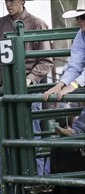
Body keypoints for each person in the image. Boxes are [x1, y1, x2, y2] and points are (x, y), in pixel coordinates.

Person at [0, 0, 53, 175]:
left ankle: (38, 179)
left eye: (13, 0)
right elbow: (0, 59)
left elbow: (47, 60)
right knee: (9, 134)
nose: (9, 4)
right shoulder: (1, 23)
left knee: (31, 132)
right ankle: (17, 180)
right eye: (6, 0)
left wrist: (29, 79)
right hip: (10, 87)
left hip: (30, 89)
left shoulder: (37, 24)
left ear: (23, 1)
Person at [44, 0, 85, 136]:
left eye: (83, 17)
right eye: (78, 17)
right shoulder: (81, 35)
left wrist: (72, 85)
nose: (80, 20)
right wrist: (61, 84)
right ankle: (78, 131)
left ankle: (78, 131)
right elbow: (75, 65)